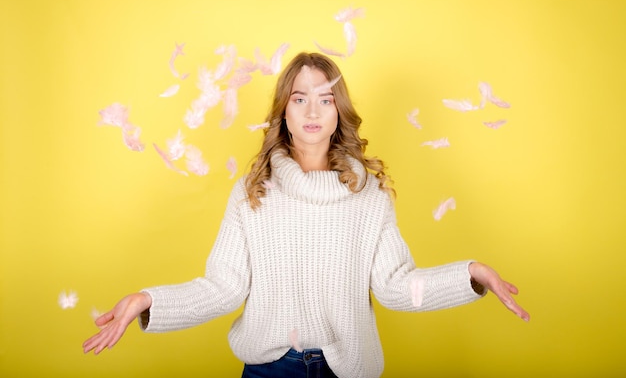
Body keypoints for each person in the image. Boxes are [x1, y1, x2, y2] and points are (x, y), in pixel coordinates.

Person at [83, 52, 530, 378]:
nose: (313, 111)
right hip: (269, 370)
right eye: (300, 99)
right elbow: (223, 287)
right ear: (284, 112)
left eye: (325, 99)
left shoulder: (369, 194)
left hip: (348, 369)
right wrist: (148, 302)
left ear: (340, 113)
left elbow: (394, 286)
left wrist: (470, 275)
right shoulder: (252, 191)